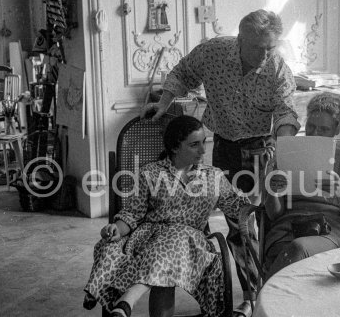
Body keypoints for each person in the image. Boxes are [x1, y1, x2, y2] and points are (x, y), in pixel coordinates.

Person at [140, 9, 300, 315]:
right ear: (240, 39)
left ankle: (269, 294)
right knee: (239, 227)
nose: (266, 55)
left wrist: (284, 149)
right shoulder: (214, 52)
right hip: (225, 149)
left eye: (271, 48)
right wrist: (163, 104)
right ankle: (252, 296)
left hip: (261, 150)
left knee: (266, 223)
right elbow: (182, 73)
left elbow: (286, 111)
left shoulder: (278, 68)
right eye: (258, 48)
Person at [83, 115, 250, 317]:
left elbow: (238, 208)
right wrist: (116, 229)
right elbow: (132, 214)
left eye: (204, 142)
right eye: (194, 145)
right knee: (167, 250)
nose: (203, 150)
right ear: (175, 147)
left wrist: (265, 193)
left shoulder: (213, 176)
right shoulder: (150, 174)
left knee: (176, 239)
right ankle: (125, 304)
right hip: (149, 239)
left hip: (190, 242)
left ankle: (126, 302)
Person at [263, 93, 340, 278]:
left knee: (298, 248)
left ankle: (268, 298)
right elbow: (274, 214)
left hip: (330, 231)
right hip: (288, 226)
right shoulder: (289, 151)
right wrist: (272, 186)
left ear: (337, 128)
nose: (315, 133)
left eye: (323, 129)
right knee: (290, 247)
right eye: (311, 126)